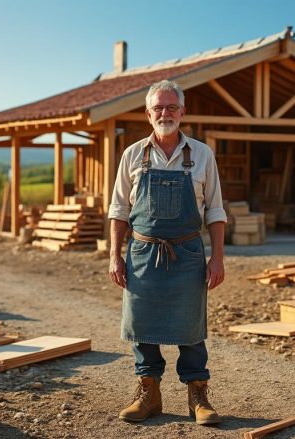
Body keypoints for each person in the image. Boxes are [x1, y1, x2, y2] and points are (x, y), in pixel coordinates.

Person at [107, 79, 227, 425]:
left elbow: (215, 211)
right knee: (142, 324)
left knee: (191, 326)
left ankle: (197, 395)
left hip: (188, 254)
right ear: (148, 114)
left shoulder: (202, 155)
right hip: (142, 254)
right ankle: (149, 393)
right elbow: (119, 210)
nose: (165, 113)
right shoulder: (132, 155)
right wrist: (114, 255)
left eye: (171, 107)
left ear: (182, 112)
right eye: (158, 107)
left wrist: (217, 258)